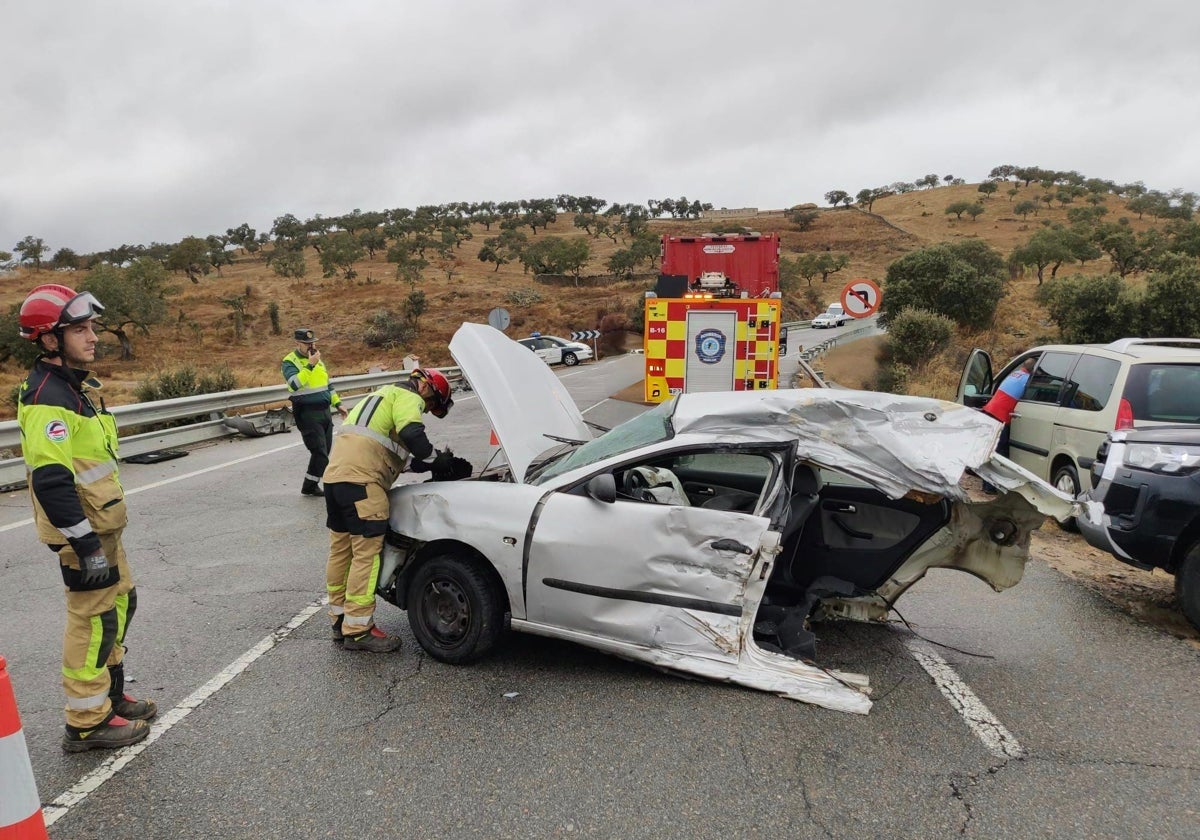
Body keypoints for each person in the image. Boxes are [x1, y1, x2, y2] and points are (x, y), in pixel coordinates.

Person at [16, 284, 158, 752]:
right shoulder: (46, 398)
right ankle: (85, 721)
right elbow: (52, 481)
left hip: (103, 525)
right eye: (80, 329)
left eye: (93, 327)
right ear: (49, 339)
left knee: (121, 603)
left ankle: (110, 696)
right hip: (85, 534)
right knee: (91, 619)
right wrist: (87, 546)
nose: (93, 336)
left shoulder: (76, 388)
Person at [322, 368, 456, 652]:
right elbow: (413, 434)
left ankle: (340, 619)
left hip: (336, 481)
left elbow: (391, 447)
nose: (427, 410)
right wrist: (439, 459)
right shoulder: (409, 396)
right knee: (366, 556)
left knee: (341, 552)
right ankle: (358, 630)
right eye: (431, 404)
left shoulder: (380, 396)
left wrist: (425, 463)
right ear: (426, 388)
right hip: (363, 484)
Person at [282, 328, 347, 496]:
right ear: (297, 343)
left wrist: (338, 403)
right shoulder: (290, 361)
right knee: (320, 452)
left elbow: (327, 385)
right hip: (307, 413)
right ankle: (326, 486)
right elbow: (294, 384)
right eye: (307, 343)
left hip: (324, 411)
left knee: (324, 451)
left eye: (313, 342)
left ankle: (309, 485)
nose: (312, 346)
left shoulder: (319, 360)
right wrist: (310, 365)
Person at [980, 356, 1037, 491]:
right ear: (1034, 371)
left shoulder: (1015, 374)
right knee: (998, 454)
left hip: (990, 411)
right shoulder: (1027, 380)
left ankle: (987, 485)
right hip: (1001, 417)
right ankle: (991, 487)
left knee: (991, 451)